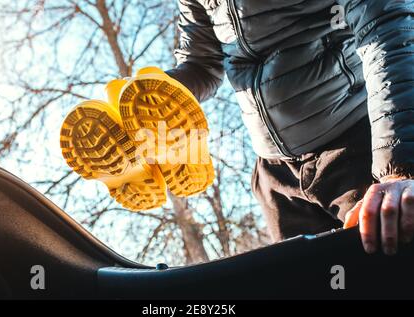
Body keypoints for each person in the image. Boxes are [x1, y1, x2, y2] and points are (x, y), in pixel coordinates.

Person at [163, 0, 414, 256]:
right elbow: (201, 64)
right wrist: (153, 89)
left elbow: (384, 23)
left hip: (356, 146)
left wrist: (400, 168)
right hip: (275, 178)